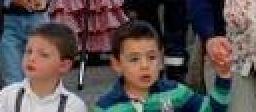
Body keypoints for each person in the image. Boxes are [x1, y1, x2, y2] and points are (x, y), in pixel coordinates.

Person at [93, 21, 230, 112]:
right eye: (134, 59)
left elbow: (211, 110)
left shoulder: (177, 93)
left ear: (161, 59)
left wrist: (223, 76)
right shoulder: (105, 107)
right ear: (117, 64)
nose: (145, 65)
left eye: (152, 57)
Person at [0, 22, 89, 112]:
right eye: (29, 51)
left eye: (43, 55)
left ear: (64, 66)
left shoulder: (73, 106)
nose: (31, 58)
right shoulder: (7, 96)